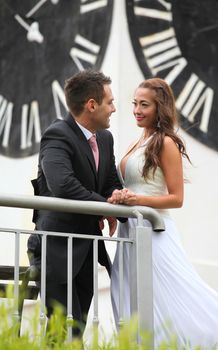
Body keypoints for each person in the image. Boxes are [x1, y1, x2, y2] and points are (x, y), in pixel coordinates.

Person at [108, 78, 218, 349]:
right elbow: (130, 185)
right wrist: (119, 196)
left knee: (175, 294)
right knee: (128, 294)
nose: (137, 110)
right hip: (130, 232)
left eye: (144, 105)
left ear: (159, 107)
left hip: (155, 234)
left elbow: (177, 198)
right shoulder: (137, 141)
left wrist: (135, 199)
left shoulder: (166, 143)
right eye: (134, 103)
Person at [27, 69, 125, 336]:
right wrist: (104, 208)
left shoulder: (105, 138)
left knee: (76, 331)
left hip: (86, 247)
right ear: (91, 105)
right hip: (55, 248)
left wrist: (117, 198)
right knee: (63, 330)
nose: (114, 109)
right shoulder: (56, 134)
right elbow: (63, 185)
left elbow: (109, 182)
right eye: (110, 102)